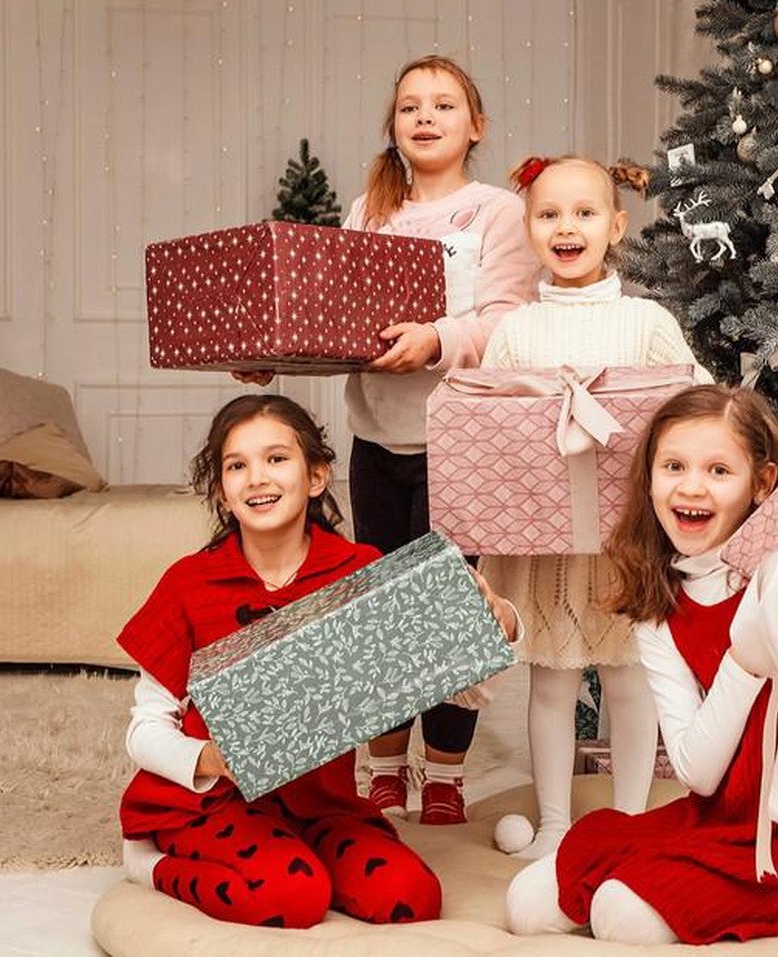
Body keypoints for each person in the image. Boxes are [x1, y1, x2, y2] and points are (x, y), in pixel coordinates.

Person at [238, 55, 540, 825]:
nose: (425, 116)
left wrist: (438, 337)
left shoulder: (497, 212)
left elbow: (512, 319)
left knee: (448, 611)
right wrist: (274, 352)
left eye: (444, 104)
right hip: (377, 437)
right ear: (394, 126)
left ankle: (443, 771)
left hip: (465, 439)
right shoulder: (364, 209)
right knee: (372, 605)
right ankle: (381, 764)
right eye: (410, 106)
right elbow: (338, 324)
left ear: (475, 126)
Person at [504, 385, 778, 944]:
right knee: (527, 903)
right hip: (723, 813)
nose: (690, 486)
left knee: (620, 913)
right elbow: (697, 772)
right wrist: (744, 659)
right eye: (674, 466)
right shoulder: (663, 604)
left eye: (717, 471)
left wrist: (771, 642)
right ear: (650, 477)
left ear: (762, 484)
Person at [116, 394, 519, 929]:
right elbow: (144, 729)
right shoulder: (188, 583)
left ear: (317, 476)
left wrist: (500, 622)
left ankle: (301, 858)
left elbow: (463, 691)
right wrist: (213, 759)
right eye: (237, 466)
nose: (257, 477)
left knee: (409, 897)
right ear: (221, 492)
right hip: (215, 800)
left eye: (276, 459)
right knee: (293, 898)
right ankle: (152, 864)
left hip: (322, 804)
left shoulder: (361, 573)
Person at [478, 154, 710, 861]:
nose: (565, 227)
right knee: (549, 678)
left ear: (616, 226)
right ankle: (553, 822)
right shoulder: (515, 331)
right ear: (528, 229)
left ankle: (632, 819)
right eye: (548, 214)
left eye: (583, 213)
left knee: (628, 677)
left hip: (625, 540)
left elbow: (696, 406)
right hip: (545, 545)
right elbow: (487, 429)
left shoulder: (645, 320)